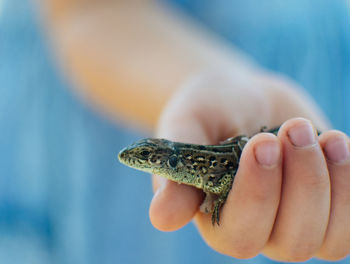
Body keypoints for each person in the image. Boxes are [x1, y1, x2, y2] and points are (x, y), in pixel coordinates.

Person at [1, 0, 349, 263]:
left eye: (147, 157)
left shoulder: (199, 168)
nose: (137, 160)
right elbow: (90, 10)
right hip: (138, 81)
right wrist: (214, 86)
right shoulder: (193, 167)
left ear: (163, 158)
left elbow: (227, 179)